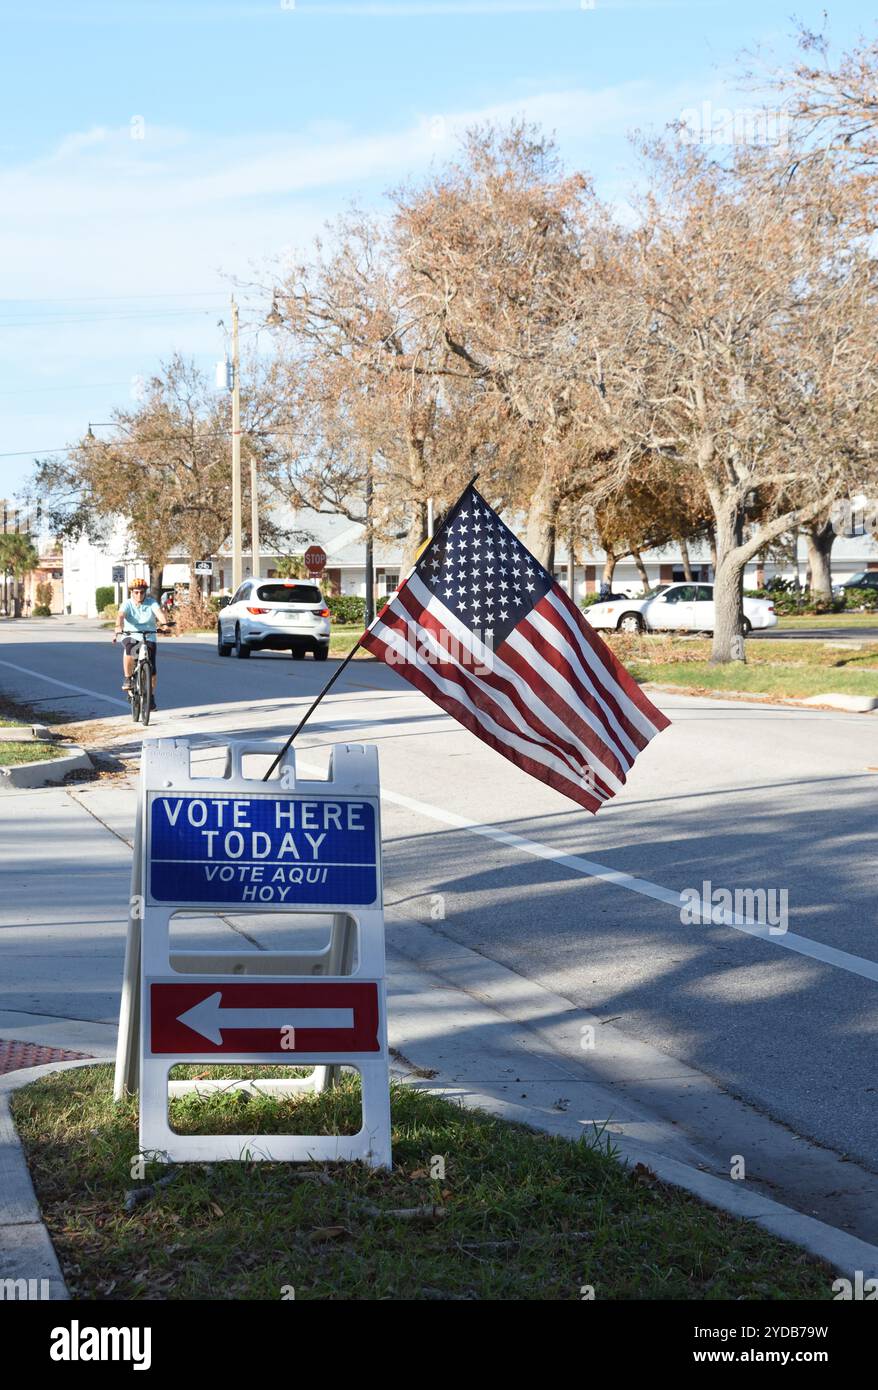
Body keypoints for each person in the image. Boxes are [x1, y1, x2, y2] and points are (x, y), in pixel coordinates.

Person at [113, 578, 172, 710]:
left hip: (149, 635)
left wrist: (164, 625)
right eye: (136, 592)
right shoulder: (127, 604)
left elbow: (159, 613)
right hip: (131, 634)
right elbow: (121, 616)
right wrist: (118, 626)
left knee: (152, 670)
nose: (139, 595)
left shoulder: (151, 603)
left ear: (146, 592)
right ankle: (128, 678)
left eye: (141, 592)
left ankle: (150, 696)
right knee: (130, 648)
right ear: (131, 593)